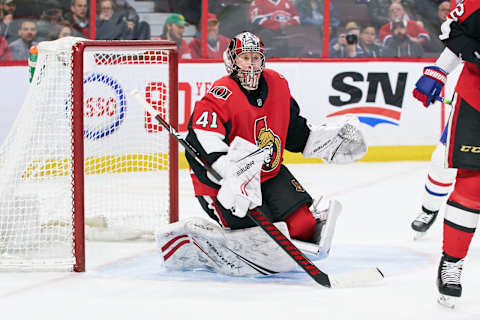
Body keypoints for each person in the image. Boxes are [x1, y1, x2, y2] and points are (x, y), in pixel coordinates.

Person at [155, 31, 368, 276]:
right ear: (232, 61)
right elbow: (201, 143)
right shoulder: (219, 95)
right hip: (225, 188)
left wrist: (326, 142)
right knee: (258, 241)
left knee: (303, 226)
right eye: (245, 58)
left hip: (269, 174)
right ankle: (196, 243)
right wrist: (229, 176)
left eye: (256, 58)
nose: (251, 64)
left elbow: (292, 129)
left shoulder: (277, 84)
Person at [411, 0, 480, 307]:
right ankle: (451, 262)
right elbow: (456, 32)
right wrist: (438, 71)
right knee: (466, 181)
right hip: (477, 101)